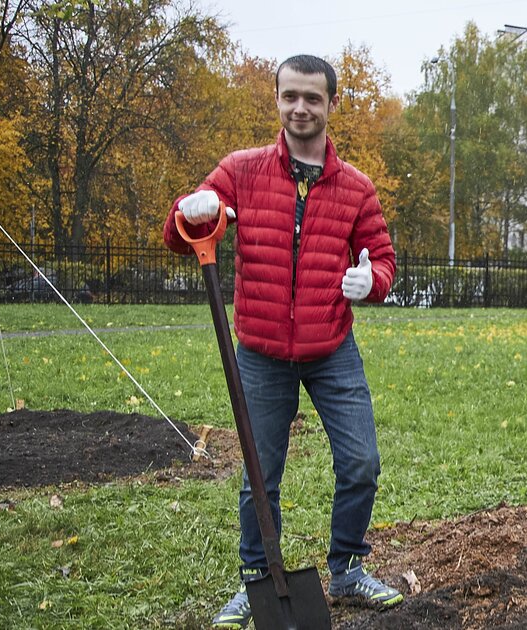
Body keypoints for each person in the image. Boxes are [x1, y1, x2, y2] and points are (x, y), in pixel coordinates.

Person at [163, 54, 401, 629]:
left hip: (331, 349)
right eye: (290, 96)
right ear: (276, 99)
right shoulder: (241, 170)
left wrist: (371, 281)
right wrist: (188, 211)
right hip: (261, 352)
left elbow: (383, 260)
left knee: (362, 461)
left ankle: (347, 568)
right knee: (259, 474)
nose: (300, 108)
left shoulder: (356, 188)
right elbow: (181, 233)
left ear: (332, 104)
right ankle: (257, 580)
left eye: (312, 98)